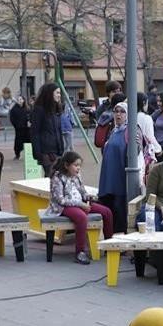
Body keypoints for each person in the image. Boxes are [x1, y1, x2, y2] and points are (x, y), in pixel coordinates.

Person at [46, 151, 113, 265]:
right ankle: (79, 252)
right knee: (81, 217)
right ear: (67, 165)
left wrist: (90, 198)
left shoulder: (77, 176)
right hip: (63, 207)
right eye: (75, 165)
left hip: (80, 203)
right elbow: (61, 200)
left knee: (106, 212)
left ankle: (109, 244)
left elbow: (82, 192)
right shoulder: (58, 178)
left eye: (79, 166)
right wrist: (80, 204)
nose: (78, 168)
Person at [97, 102, 131, 233]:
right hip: (108, 178)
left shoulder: (130, 131)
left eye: (122, 111)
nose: (118, 114)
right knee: (107, 207)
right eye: (116, 111)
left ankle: (119, 238)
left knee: (119, 208)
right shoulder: (113, 131)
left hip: (120, 178)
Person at [31, 83, 66, 174]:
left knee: (55, 179)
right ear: (50, 93)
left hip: (57, 151)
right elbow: (35, 132)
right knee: (52, 176)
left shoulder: (56, 110)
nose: (59, 95)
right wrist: (38, 153)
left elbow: (58, 131)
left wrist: (61, 148)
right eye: (57, 93)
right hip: (46, 152)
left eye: (60, 93)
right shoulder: (40, 110)